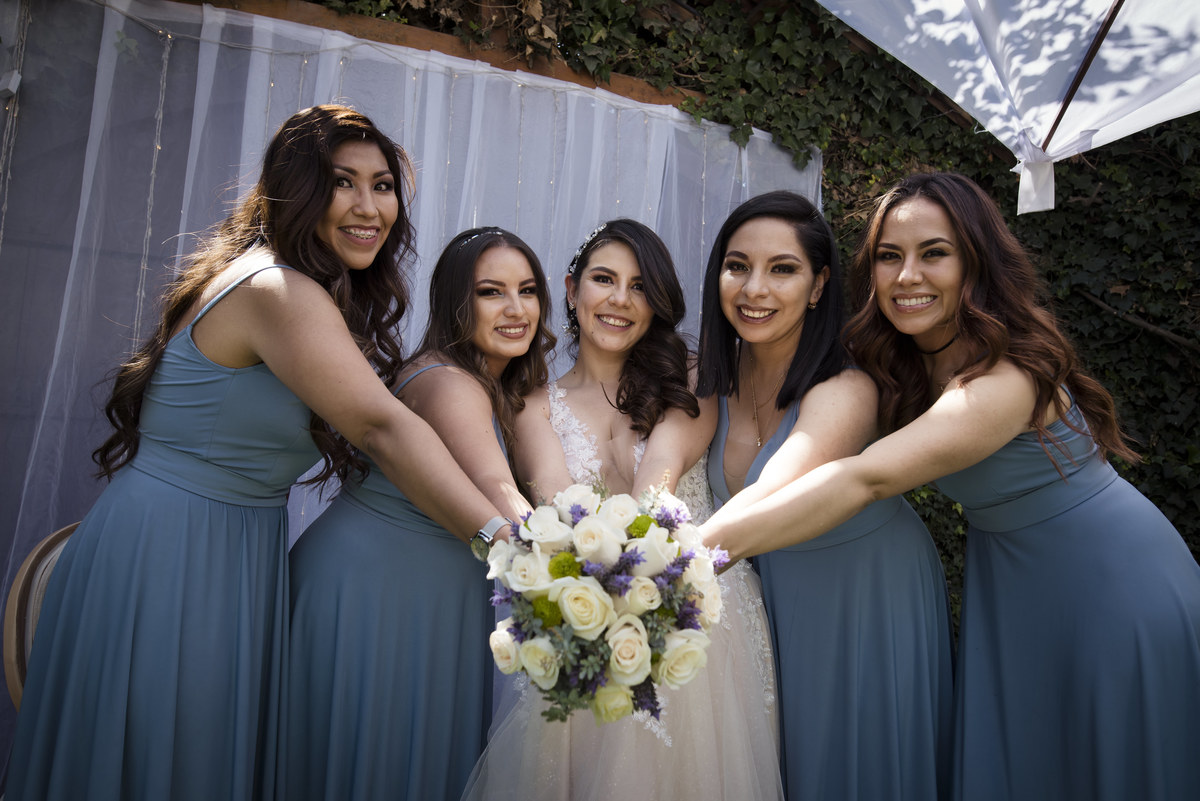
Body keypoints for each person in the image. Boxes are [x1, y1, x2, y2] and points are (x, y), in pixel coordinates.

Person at [5, 105, 506, 801]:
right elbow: (382, 428)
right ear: (297, 189)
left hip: (231, 549)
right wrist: (505, 542)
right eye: (343, 182)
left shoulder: (294, 285)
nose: (370, 206)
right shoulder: (276, 289)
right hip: (170, 556)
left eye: (383, 184)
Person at [700, 172, 1200, 801]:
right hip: (1012, 577)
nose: (907, 276)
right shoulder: (897, 359)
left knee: (1110, 764)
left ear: (975, 264)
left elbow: (866, 477)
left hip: (1113, 582)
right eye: (889, 256)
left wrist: (690, 557)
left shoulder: (1006, 376)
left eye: (934, 254)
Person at [461, 219, 784, 801]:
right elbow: (557, 508)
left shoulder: (691, 377)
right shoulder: (532, 404)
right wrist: (596, 596)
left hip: (697, 616)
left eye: (639, 287)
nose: (619, 300)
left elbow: (660, 477)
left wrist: (635, 577)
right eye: (603, 279)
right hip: (588, 615)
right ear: (569, 288)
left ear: (656, 303)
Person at [695, 189, 954, 800]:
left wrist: (663, 566)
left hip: (863, 598)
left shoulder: (847, 388)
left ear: (818, 286)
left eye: (782, 269)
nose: (754, 288)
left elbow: (774, 489)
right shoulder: (707, 379)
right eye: (738, 266)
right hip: (767, 603)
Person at [287, 226, 555, 801]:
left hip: (421, 596)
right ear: (456, 302)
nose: (516, 309)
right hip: (375, 596)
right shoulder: (449, 382)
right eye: (491, 292)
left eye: (527, 291)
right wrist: (579, 563)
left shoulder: (486, 381)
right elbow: (496, 489)